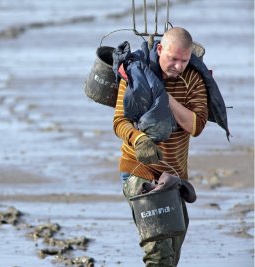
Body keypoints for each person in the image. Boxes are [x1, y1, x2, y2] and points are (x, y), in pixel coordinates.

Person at [113, 27, 208, 266]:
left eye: (183, 61)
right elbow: (119, 121)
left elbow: (195, 125)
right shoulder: (135, 73)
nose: (177, 65)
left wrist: (164, 98)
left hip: (173, 174)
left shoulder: (194, 80)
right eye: (172, 58)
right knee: (157, 251)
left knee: (174, 246)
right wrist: (139, 139)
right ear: (159, 49)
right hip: (139, 170)